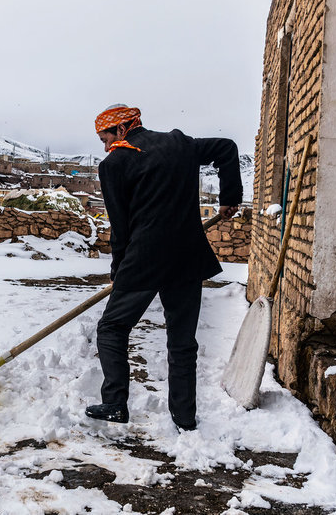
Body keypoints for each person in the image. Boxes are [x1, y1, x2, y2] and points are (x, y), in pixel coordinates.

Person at [85, 104, 241, 430]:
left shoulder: (114, 163)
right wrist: (230, 198)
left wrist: (119, 269)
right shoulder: (178, 143)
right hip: (186, 258)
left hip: (143, 259)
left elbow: (121, 227)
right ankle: (185, 419)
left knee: (111, 330)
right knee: (182, 343)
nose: (104, 146)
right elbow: (226, 148)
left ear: (122, 129)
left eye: (105, 138)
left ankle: (115, 403)